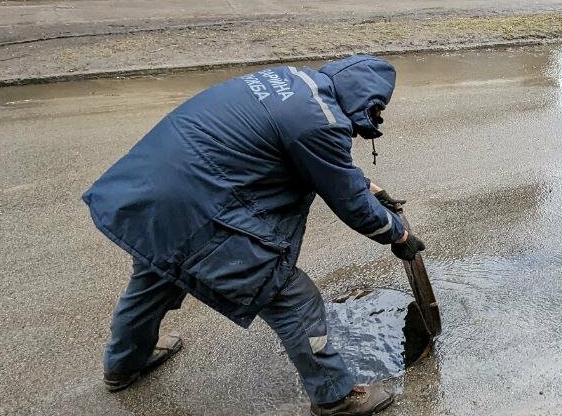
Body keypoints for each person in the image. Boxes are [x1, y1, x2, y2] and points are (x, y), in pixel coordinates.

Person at [82, 54, 425, 416]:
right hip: (199, 204)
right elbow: (350, 203)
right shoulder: (320, 121)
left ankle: (123, 364)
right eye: (377, 109)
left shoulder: (291, 82)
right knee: (293, 298)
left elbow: (310, 158)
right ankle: (335, 397)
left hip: (152, 192)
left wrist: (369, 187)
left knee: (155, 279)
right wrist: (399, 236)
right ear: (368, 99)